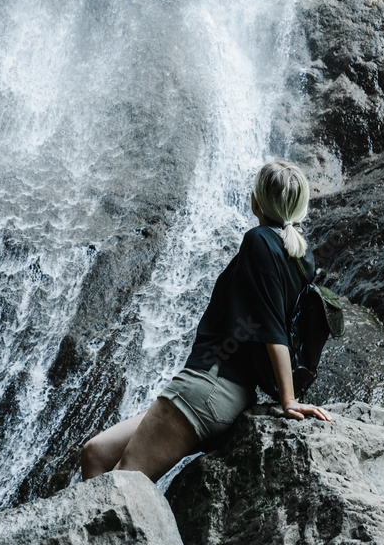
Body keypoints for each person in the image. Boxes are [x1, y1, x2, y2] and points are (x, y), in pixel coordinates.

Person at [81, 159, 333, 482]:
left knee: (121, 484)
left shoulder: (259, 241)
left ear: (255, 202)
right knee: (95, 453)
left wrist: (288, 400)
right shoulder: (300, 255)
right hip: (222, 392)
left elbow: (274, 327)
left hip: (208, 385)